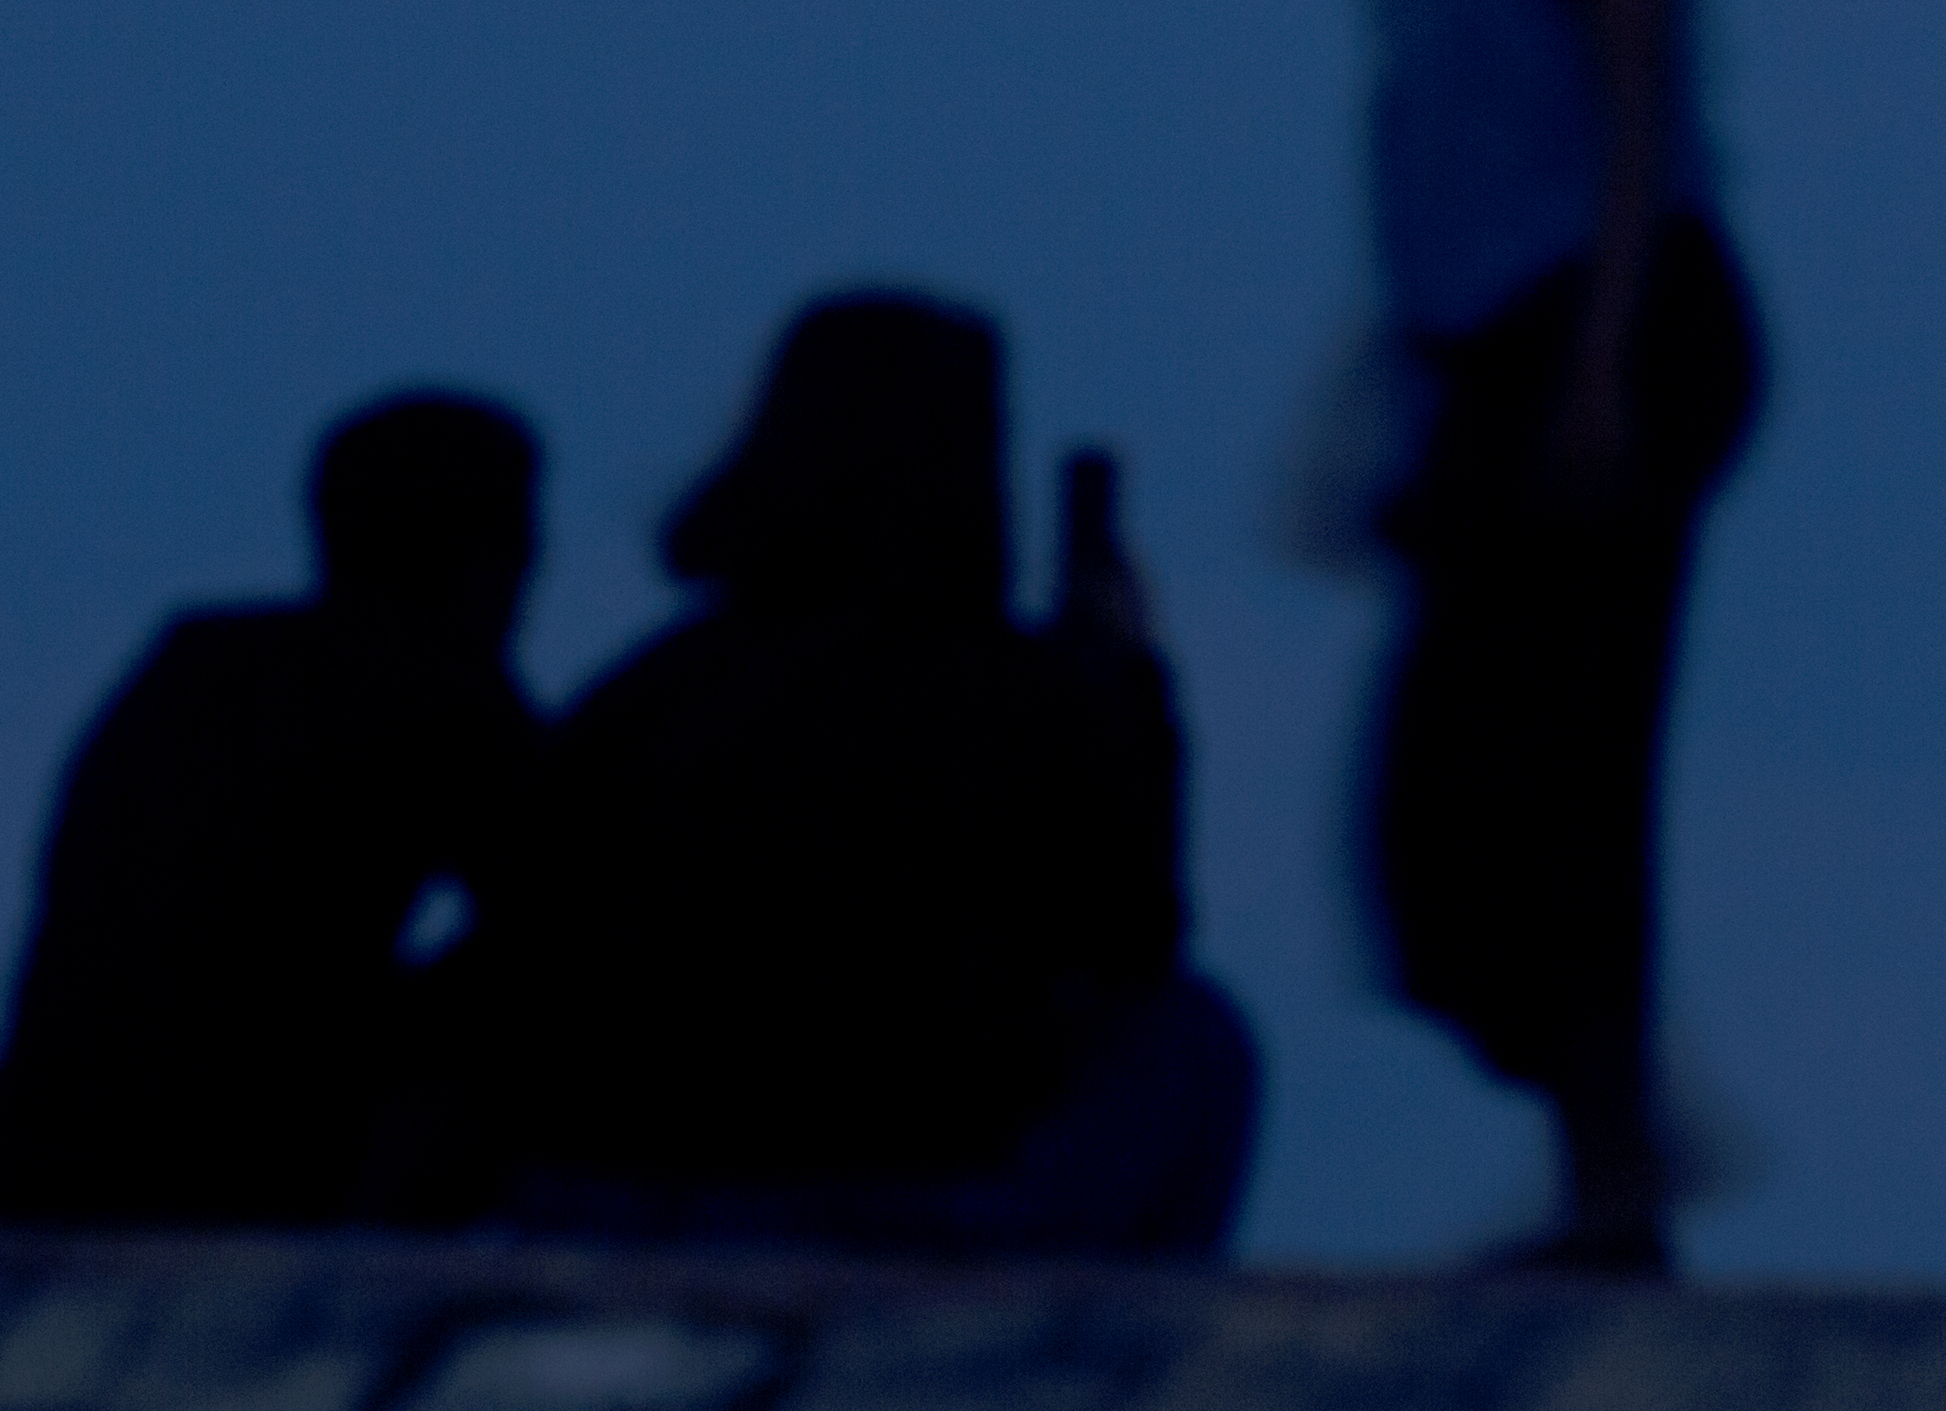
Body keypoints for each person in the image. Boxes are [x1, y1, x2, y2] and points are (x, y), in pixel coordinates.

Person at [1307, 0, 1765, 1278]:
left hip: (1611, 332)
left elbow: (1636, 114)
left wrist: (1595, 370)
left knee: (1554, 771)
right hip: (1487, 348)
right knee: (1445, 809)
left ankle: (1615, 1182)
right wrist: (1384, 383)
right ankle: (1624, 1127)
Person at [488, 291, 1256, 1256]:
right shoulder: (1015, 695)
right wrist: (1130, 711)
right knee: (1192, 1036)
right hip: (901, 1195)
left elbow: (519, 923)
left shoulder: (651, 689)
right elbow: (1132, 934)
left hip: (597, 1188)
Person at [0, 391, 542, 1228]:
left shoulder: (195, 668)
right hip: (252, 1165)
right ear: (499, 547)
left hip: (62, 1144)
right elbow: (574, 918)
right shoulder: (434, 689)